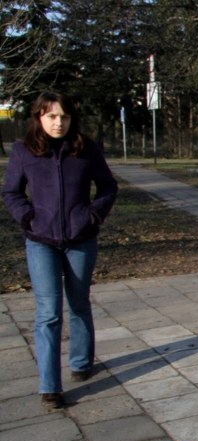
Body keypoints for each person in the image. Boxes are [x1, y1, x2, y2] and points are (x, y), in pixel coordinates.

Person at [2, 92, 118, 411]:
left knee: (79, 303)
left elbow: (108, 186)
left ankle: (81, 363)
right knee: (48, 312)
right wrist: (28, 217)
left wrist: (93, 215)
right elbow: (11, 192)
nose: (58, 122)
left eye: (64, 117)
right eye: (51, 116)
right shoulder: (23, 150)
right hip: (41, 241)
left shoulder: (85, 148)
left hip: (81, 238)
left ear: (72, 118)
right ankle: (49, 386)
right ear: (39, 117)